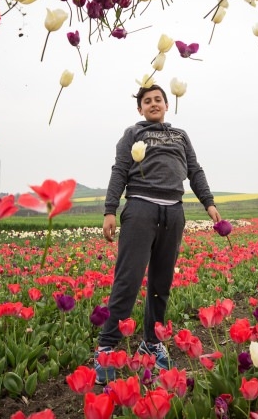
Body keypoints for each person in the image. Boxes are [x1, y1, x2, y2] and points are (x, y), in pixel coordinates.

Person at [94, 84, 221, 384]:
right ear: (140, 109)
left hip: (173, 212)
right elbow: (119, 170)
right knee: (127, 280)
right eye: (147, 101)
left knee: (161, 283)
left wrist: (209, 203)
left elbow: (195, 171)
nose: (153, 104)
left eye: (158, 100)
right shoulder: (133, 134)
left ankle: (152, 342)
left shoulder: (180, 136)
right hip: (140, 209)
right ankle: (107, 348)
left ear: (167, 105)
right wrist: (110, 209)